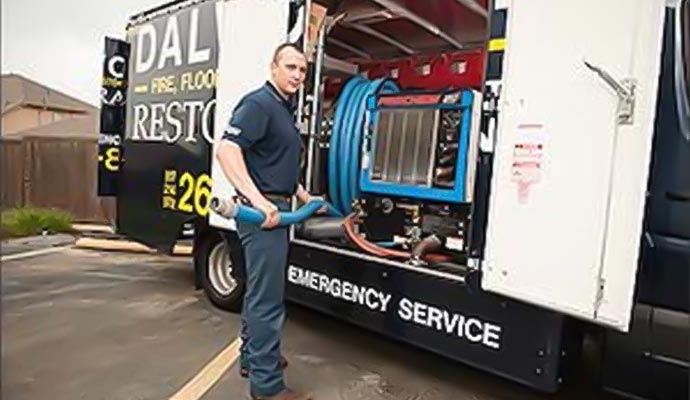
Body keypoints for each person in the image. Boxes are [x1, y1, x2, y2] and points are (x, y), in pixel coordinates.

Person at [215, 43, 317, 400]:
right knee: (268, 301)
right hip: (264, 216)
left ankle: (251, 357)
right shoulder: (259, 103)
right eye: (290, 67)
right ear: (273, 66)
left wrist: (301, 193)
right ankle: (267, 386)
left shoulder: (283, 109)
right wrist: (260, 203)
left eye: (302, 71)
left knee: (259, 293)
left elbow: (272, 158)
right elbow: (227, 149)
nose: (297, 76)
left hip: (279, 206)